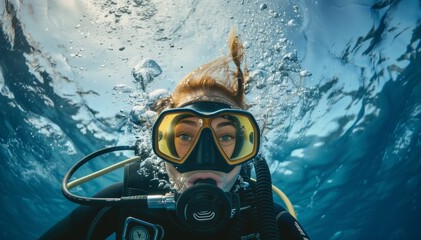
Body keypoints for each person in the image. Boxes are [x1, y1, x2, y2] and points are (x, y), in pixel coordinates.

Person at [40, 30, 310, 240]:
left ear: (248, 149)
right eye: (184, 136)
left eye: (226, 137)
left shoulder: (266, 218)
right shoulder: (123, 201)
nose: (205, 157)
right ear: (159, 144)